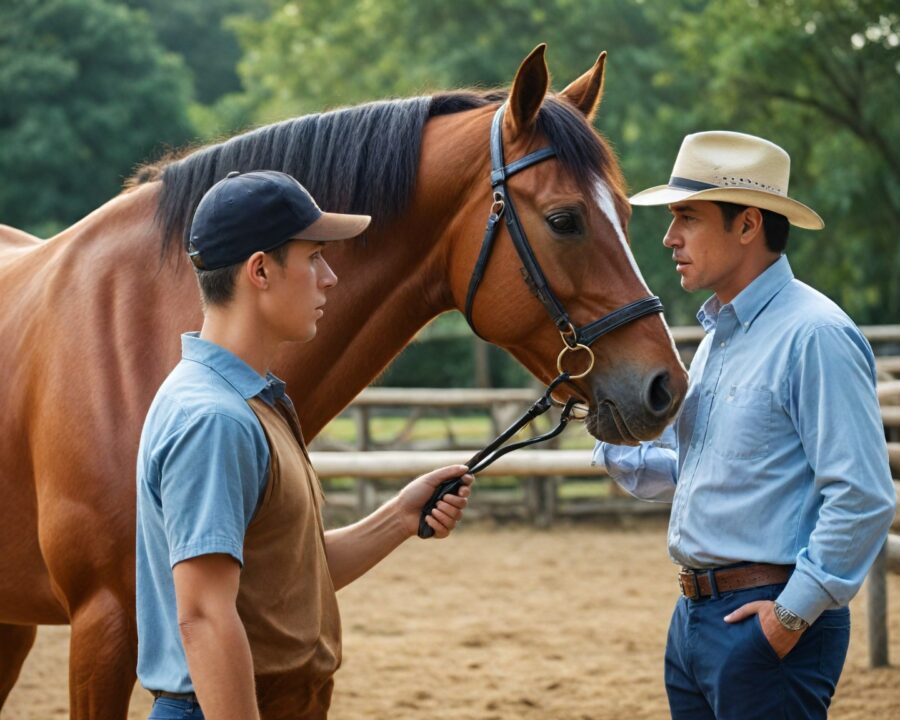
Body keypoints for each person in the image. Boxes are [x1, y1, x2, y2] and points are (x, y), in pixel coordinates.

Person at [135, 170, 474, 720]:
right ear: (261, 270)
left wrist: (397, 517)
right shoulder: (214, 418)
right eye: (314, 257)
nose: (331, 277)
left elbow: (284, 581)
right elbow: (202, 616)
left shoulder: (242, 401)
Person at [593, 131, 896, 719]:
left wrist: (788, 619)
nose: (669, 237)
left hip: (767, 616)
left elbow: (862, 496)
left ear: (748, 225)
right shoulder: (719, 340)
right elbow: (701, 472)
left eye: (687, 216)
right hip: (697, 619)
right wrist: (602, 424)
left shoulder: (816, 336)